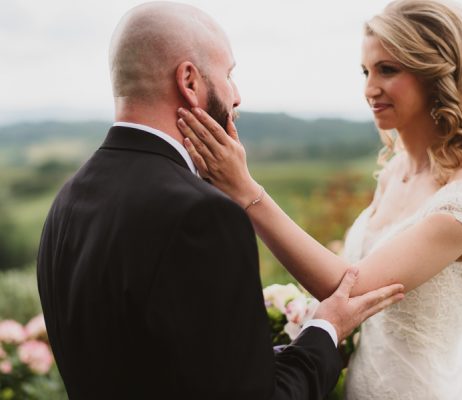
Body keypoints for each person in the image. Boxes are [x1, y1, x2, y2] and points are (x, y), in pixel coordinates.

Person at [36, 3, 405, 399]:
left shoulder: (67, 203)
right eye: (229, 74)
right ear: (189, 81)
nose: (237, 95)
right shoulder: (201, 216)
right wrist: (324, 329)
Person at [176, 0, 462, 398]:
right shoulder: (395, 171)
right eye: (366, 71)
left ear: (435, 72)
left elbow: (353, 289)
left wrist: (246, 191)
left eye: (388, 69)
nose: (369, 89)